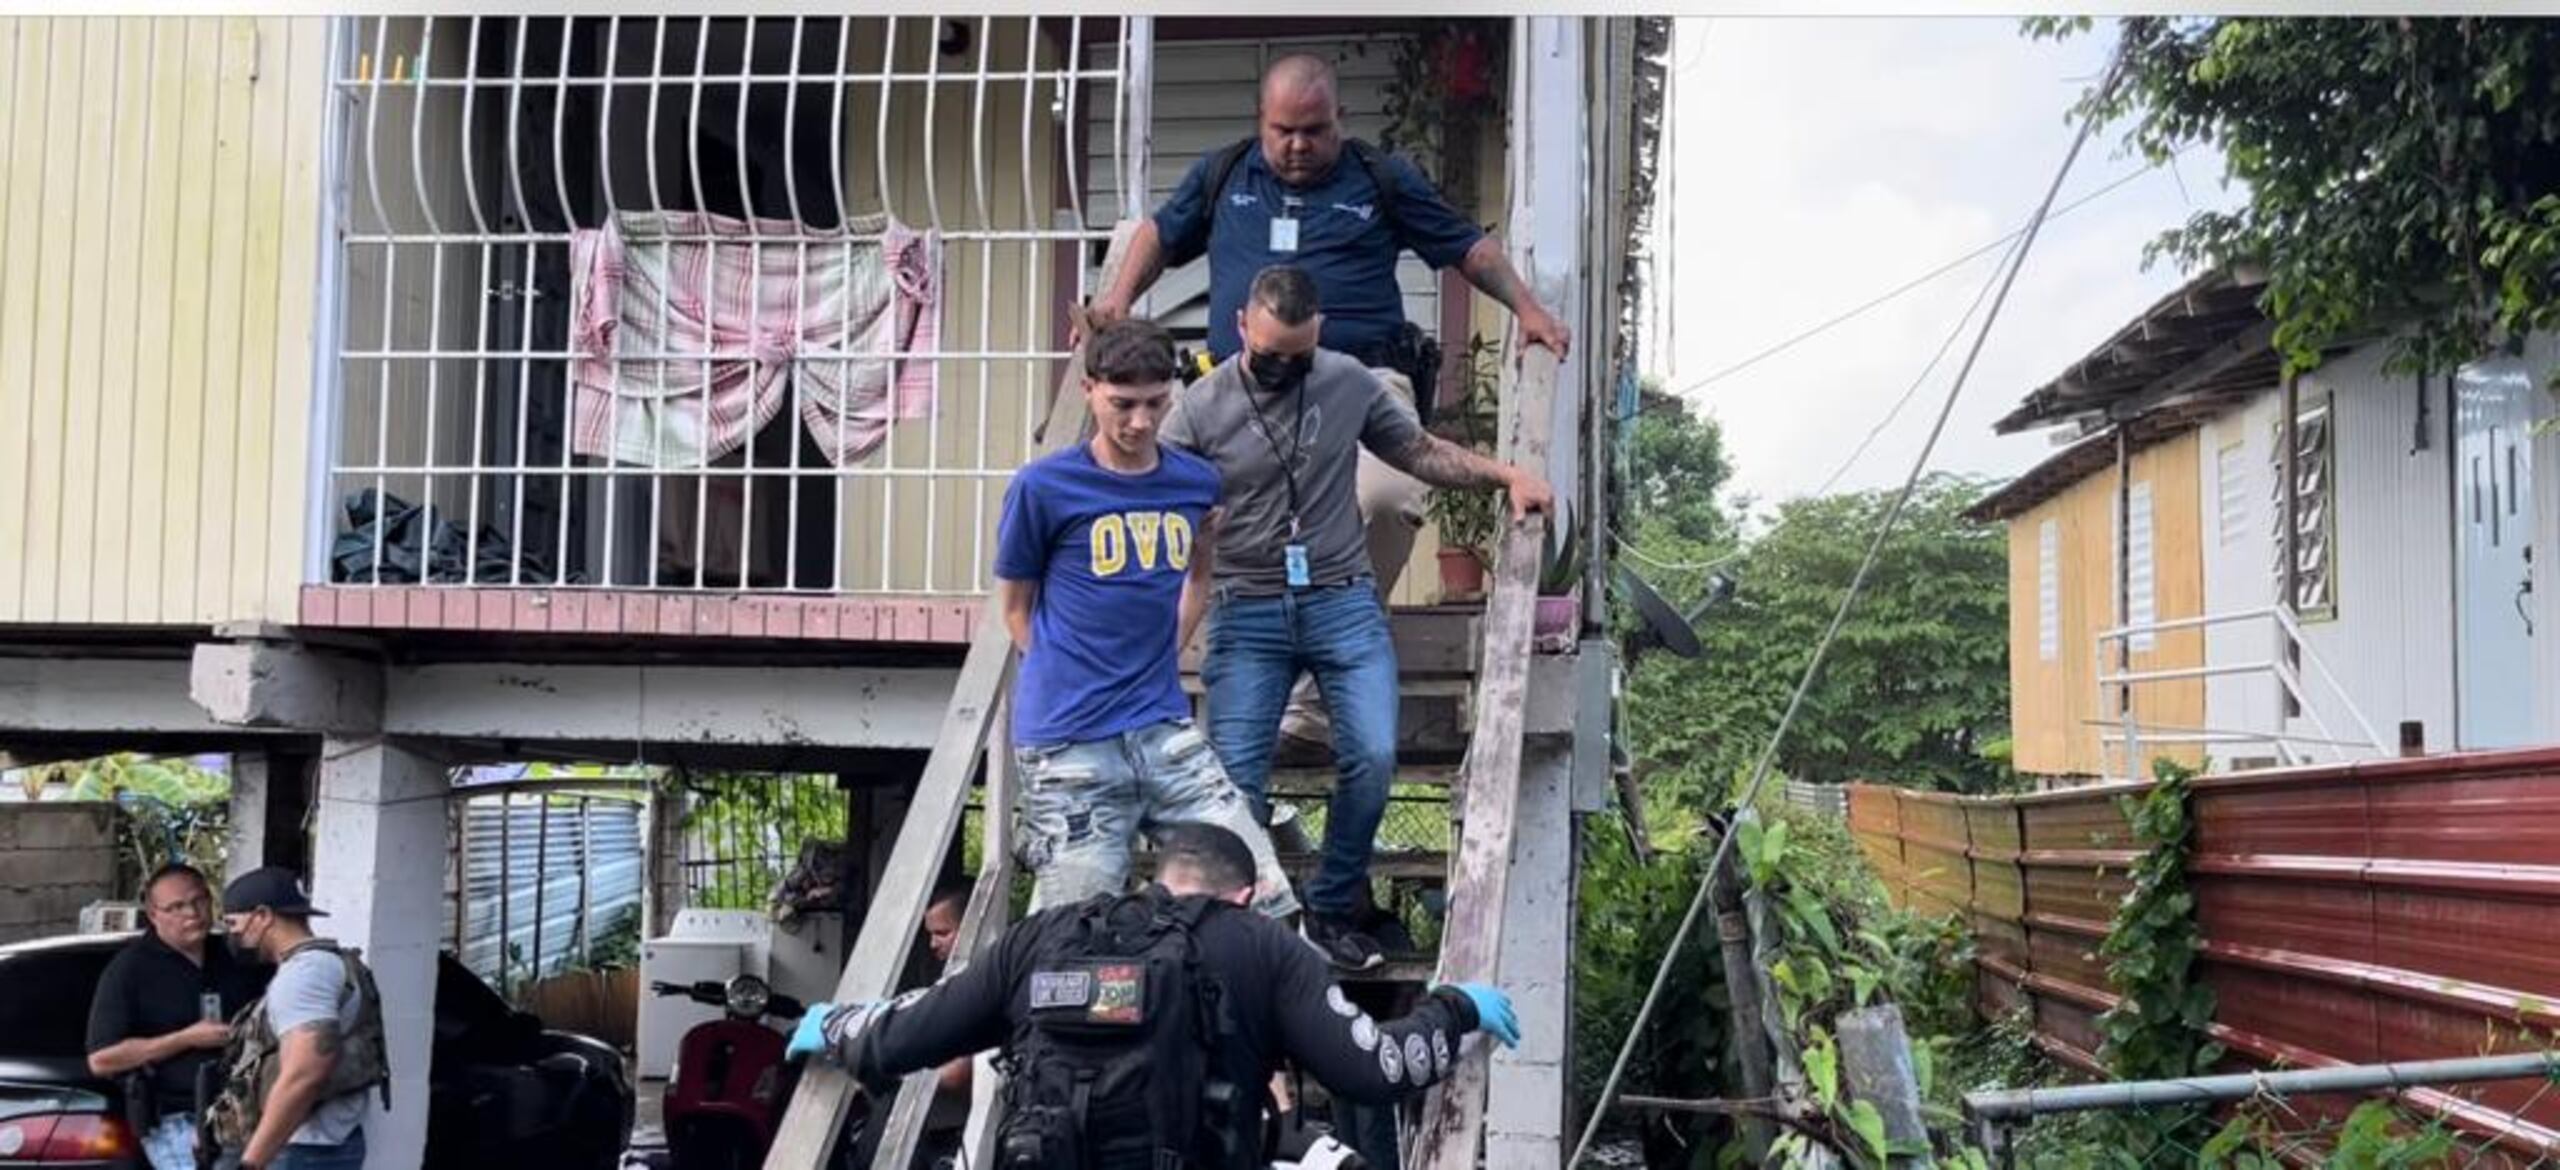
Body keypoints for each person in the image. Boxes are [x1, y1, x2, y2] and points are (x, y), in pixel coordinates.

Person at [1088, 53, 1573, 761]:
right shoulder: (1226, 176)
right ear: (1262, 123)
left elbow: (1467, 248)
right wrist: (1114, 303)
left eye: (1312, 130)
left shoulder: (1379, 179)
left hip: (1363, 380)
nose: (1296, 146)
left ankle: (1315, 692)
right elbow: (1158, 236)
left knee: (1386, 498)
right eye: (1282, 130)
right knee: (1186, 505)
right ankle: (1191, 678)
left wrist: (1527, 308)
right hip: (1241, 388)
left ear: (1338, 121)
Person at [1160, 266, 1552, 970]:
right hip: (1247, 608)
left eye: (1299, 356)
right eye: (1270, 353)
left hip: (1341, 598)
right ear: (1242, 327)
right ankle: (1256, 921)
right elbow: (1150, 493)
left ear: (1322, 338)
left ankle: (1336, 905)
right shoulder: (1197, 409)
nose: (1284, 368)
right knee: (1235, 780)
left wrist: (1506, 476)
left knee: (1371, 757)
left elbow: (1419, 451)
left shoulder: (1347, 382)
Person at [784, 823, 1521, 1170]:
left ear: (1157, 876)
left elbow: (912, 1032)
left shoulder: (1044, 936)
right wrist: (1458, 1009)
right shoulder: (1264, 945)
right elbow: (1373, 1069)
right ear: (1249, 893)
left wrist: (836, 1024)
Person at [993, 316, 1300, 922]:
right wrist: (1070, 671)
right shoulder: (1043, 487)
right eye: (1122, 404)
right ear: (1090, 392)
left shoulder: (1194, 482)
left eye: (1156, 403)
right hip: (1069, 742)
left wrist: (1163, 655)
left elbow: (1198, 576)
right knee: (1071, 933)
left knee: (1266, 899)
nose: (1140, 422)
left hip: (1164, 731)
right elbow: (1014, 609)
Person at [202, 868, 390, 1170]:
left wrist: (251, 1163)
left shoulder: (304, 975)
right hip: (317, 1145)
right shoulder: (330, 963)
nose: (231, 934)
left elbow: (304, 1075)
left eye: (232, 923)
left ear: (262, 916)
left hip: (299, 1150)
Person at [85, 864, 269, 1170]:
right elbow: (101, 1059)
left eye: (199, 901)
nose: (192, 913)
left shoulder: (233, 954)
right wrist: (185, 1039)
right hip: (177, 1120)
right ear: (154, 914)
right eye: (177, 907)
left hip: (243, 1113)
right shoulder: (130, 970)